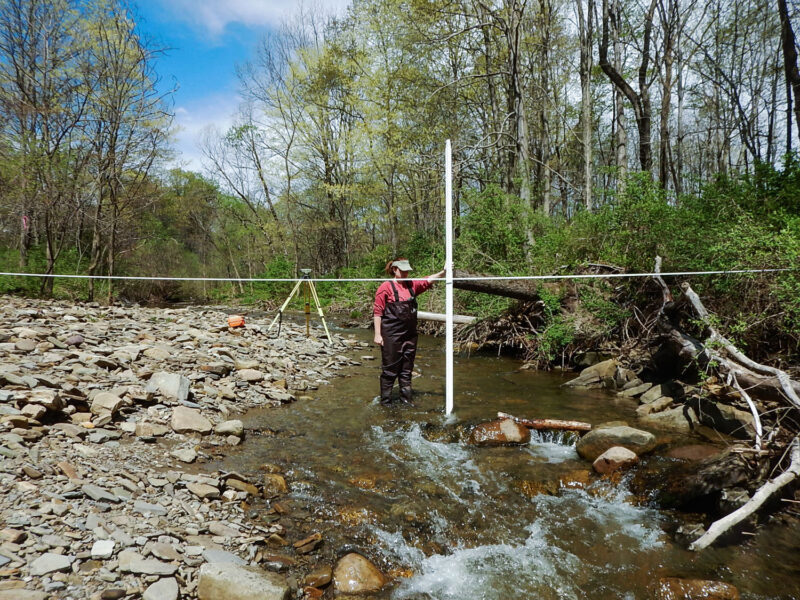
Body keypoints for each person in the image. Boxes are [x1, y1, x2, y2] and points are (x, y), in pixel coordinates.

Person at [373, 258, 445, 406]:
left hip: (410, 335)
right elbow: (377, 312)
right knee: (390, 370)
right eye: (402, 271)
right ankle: (386, 403)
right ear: (394, 270)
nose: (405, 273)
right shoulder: (385, 287)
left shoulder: (411, 285)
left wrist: (443, 272)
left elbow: (427, 281)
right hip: (391, 335)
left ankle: (406, 400)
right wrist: (378, 334)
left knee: (407, 370)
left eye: (407, 271)